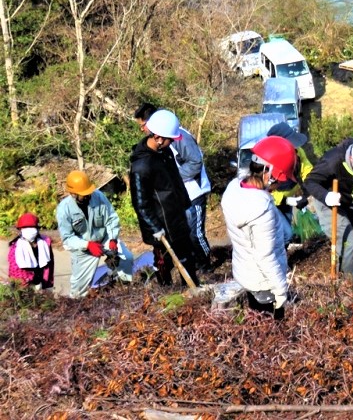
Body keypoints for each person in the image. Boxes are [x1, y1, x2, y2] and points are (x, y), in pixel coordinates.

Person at [221, 136, 297, 318]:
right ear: (268, 175)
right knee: (273, 332)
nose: (279, 186)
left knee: (256, 320)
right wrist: (280, 292)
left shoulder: (234, 189)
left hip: (245, 271)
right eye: (280, 180)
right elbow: (265, 257)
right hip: (264, 282)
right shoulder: (262, 211)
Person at [134, 103, 212, 272]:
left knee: (195, 234)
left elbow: (195, 163)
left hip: (193, 191)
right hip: (175, 202)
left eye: (143, 125)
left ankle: (205, 265)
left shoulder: (177, 139)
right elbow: (142, 201)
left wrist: (173, 179)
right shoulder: (151, 154)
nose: (142, 130)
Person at [305, 137, 353, 278]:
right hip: (329, 202)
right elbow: (310, 182)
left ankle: (343, 272)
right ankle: (350, 286)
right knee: (349, 242)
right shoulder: (332, 161)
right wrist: (326, 196)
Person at [56, 171, 134, 298]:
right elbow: (67, 238)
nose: (87, 196)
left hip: (105, 239)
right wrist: (87, 245)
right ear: (73, 193)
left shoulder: (98, 196)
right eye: (83, 194)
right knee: (78, 292)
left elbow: (111, 219)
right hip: (84, 249)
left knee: (127, 258)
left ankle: (123, 289)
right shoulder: (64, 209)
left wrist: (113, 239)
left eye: (88, 192)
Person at [266, 121, 313, 246]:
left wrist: (306, 194)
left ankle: (284, 260)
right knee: (286, 234)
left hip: (287, 199)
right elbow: (262, 188)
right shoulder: (268, 160)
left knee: (285, 233)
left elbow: (308, 171)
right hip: (270, 202)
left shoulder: (298, 152)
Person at [7, 213, 54, 290]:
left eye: (32, 227)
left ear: (37, 229)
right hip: (24, 284)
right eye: (25, 227)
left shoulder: (44, 244)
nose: (29, 230)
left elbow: (49, 267)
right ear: (20, 230)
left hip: (40, 282)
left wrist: (47, 284)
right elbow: (14, 270)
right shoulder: (16, 247)